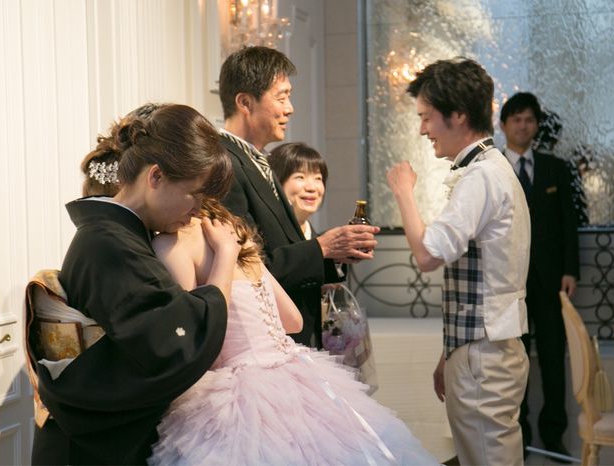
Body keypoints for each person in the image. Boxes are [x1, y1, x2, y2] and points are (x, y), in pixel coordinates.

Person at [147, 199, 439, 466]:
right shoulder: (237, 239)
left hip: (239, 386)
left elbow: (197, 333)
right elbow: (293, 321)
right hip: (297, 371)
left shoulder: (173, 244)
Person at [26, 103, 240, 465]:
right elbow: (178, 343)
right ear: (156, 177)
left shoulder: (116, 235)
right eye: (196, 195)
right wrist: (225, 260)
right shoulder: (109, 244)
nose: (199, 211)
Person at [386, 58, 530, 466]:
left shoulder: (482, 176)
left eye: (426, 117)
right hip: (482, 347)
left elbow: (428, 255)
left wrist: (404, 192)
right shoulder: (491, 169)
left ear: (459, 115)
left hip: (484, 354)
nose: (422, 130)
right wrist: (448, 354)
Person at [218, 46, 379, 348]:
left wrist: (333, 254)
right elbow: (246, 265)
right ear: (245, 102)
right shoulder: (224, 164)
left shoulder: (258, 160)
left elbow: (283, 246)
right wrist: (321, 246)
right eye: (281, 97)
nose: (290, 108)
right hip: (267, 339)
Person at [500, 92, 580, 459]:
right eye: (516, 119)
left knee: (551, 357)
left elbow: (569, 224)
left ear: (537, 126)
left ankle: (553, 435)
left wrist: (570, 270)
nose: (523, 125)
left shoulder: (555, 168)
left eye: (529, 119)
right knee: (512, 361)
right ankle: (519, 433)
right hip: (507, 284)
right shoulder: (493, 167)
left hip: (550, 282)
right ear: (504, 125)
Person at [268, 141, 328, 239]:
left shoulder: (324, 244)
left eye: (318, 178)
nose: (311, 188)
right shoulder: (259, 239)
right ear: (276, 181)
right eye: (300, 177)